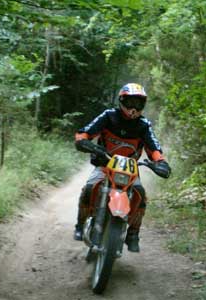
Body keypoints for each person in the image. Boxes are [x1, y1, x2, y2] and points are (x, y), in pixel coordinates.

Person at [73, 83, 171, 252]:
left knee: (140, 194)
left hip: (130, 169)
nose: (134, 107)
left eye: (138, 104)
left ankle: (133, 233)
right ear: (122, 100)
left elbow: (153, 148)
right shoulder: (109, 116)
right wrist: (83, 141)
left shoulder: (143, 125)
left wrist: (160, 162)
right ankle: (80, 225)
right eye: (131, 102)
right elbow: (86, 132)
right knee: (89, 187)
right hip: (105, 165)